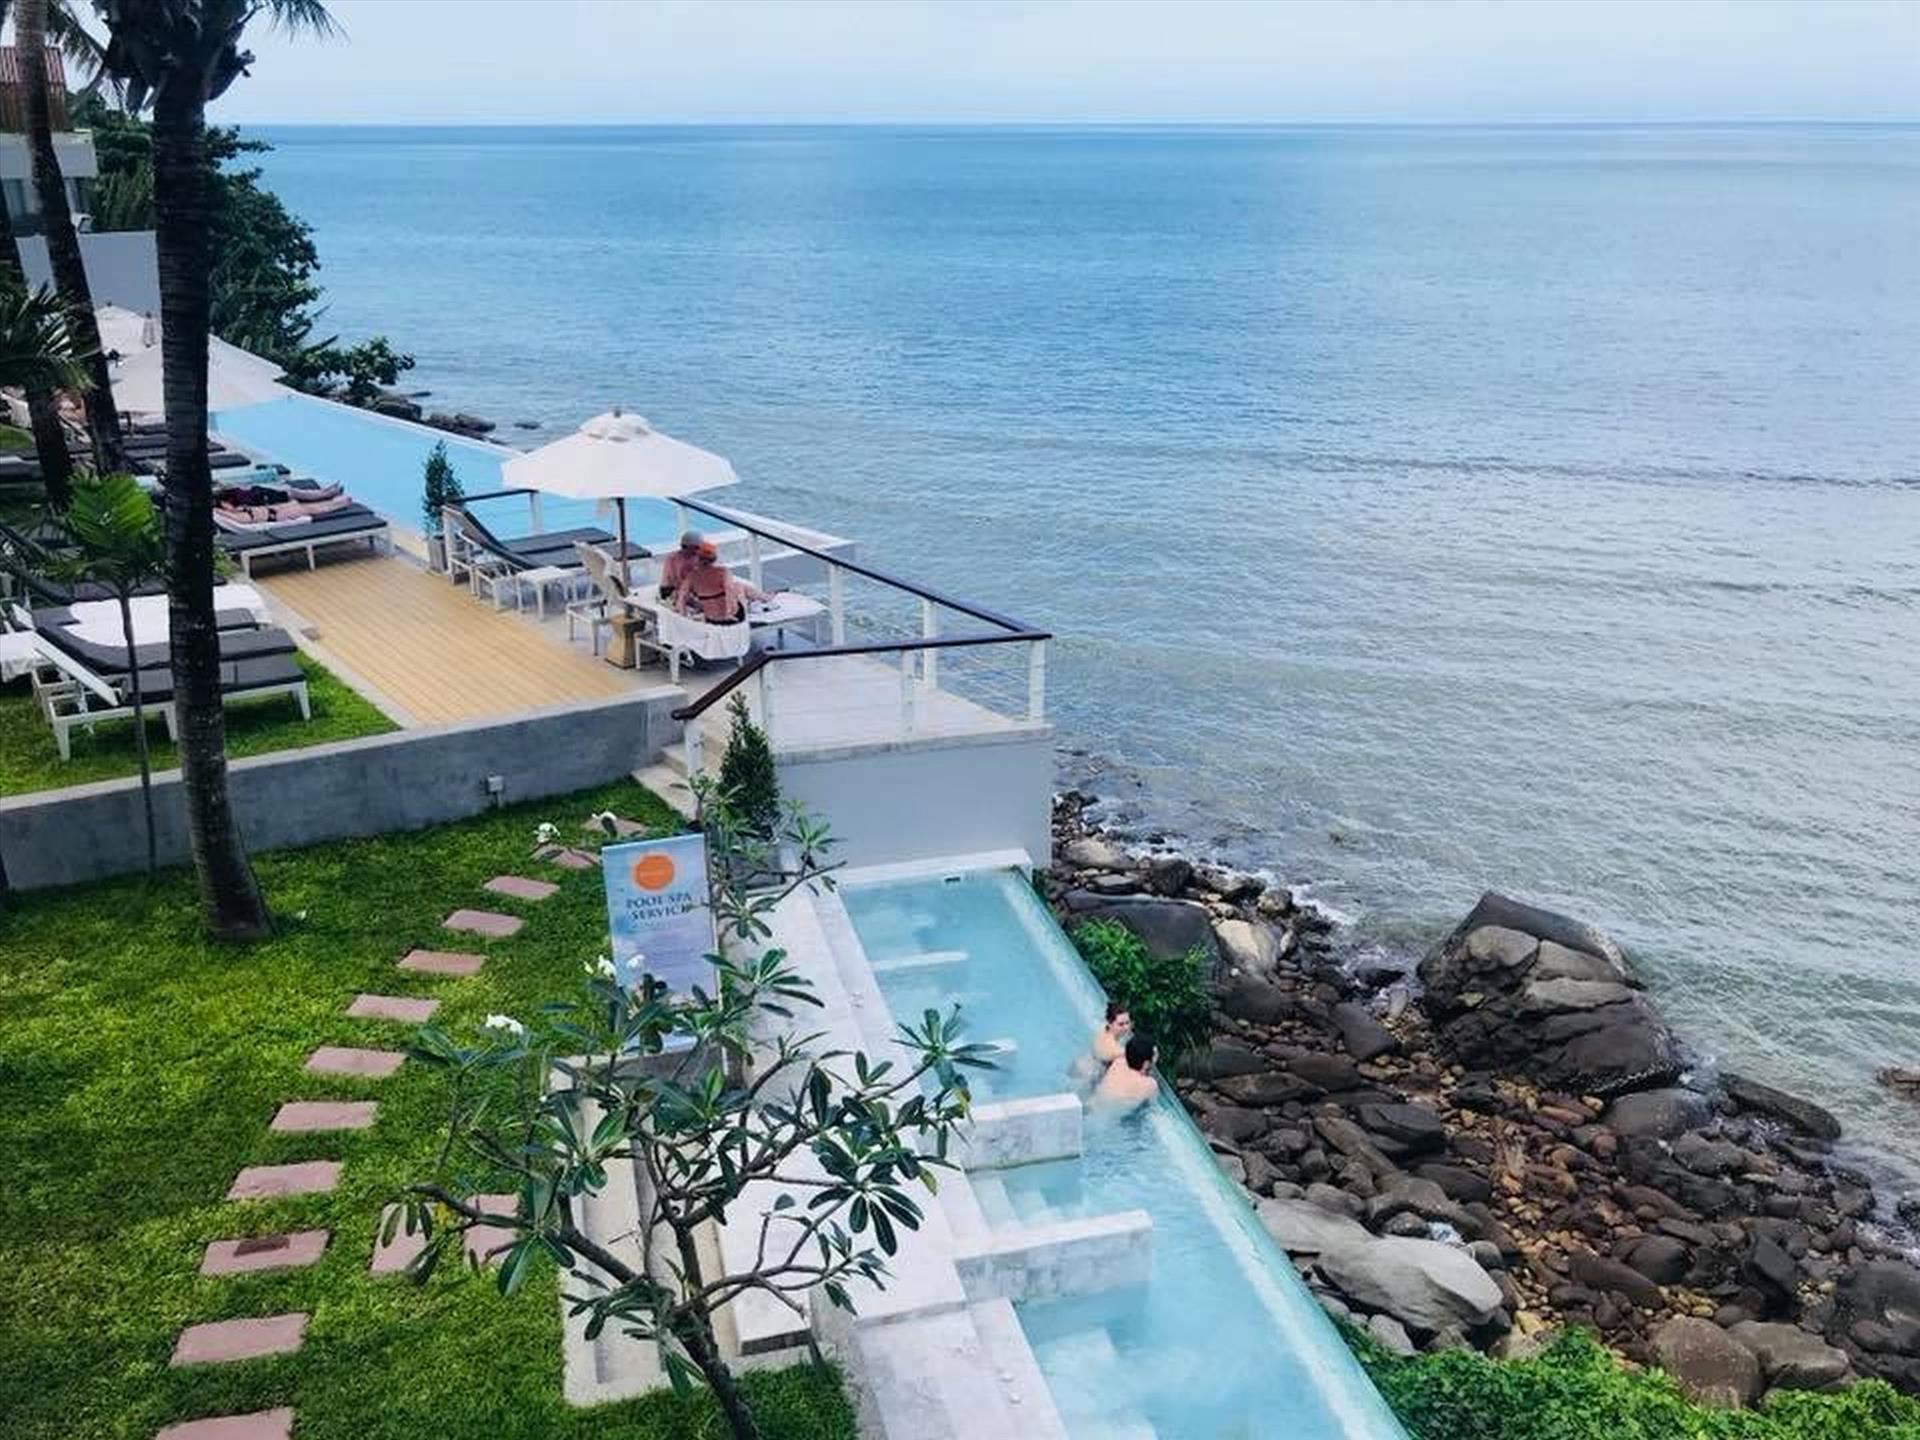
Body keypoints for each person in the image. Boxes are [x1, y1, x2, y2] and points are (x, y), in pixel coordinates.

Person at [673, 540, 770, 623]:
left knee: (735, 588)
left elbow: (681, 598)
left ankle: (762, 599)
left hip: (710, 618)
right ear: (713, 558)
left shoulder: (691, 577)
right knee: (739, 586)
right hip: (733, 616)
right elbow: (729, 591)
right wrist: (729, 614)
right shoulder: (722, 571)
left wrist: (684, 618)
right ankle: (765, 598)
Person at [1092, 1034, 1157, 1113]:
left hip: (1093, 1104)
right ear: (1146, 1063)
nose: (1156, 1057)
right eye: (1155, 1054)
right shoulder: (1150, 1085)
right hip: (1108, 1117)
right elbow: (1150, 1109)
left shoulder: (1118, 1062)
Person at [656, 531, 703, 599]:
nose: (698, 550)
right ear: (686, 547)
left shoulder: (697, 557)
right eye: (697, 547)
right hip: (670, 589)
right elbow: (675, 580)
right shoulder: (673, 559)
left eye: (699, 547)